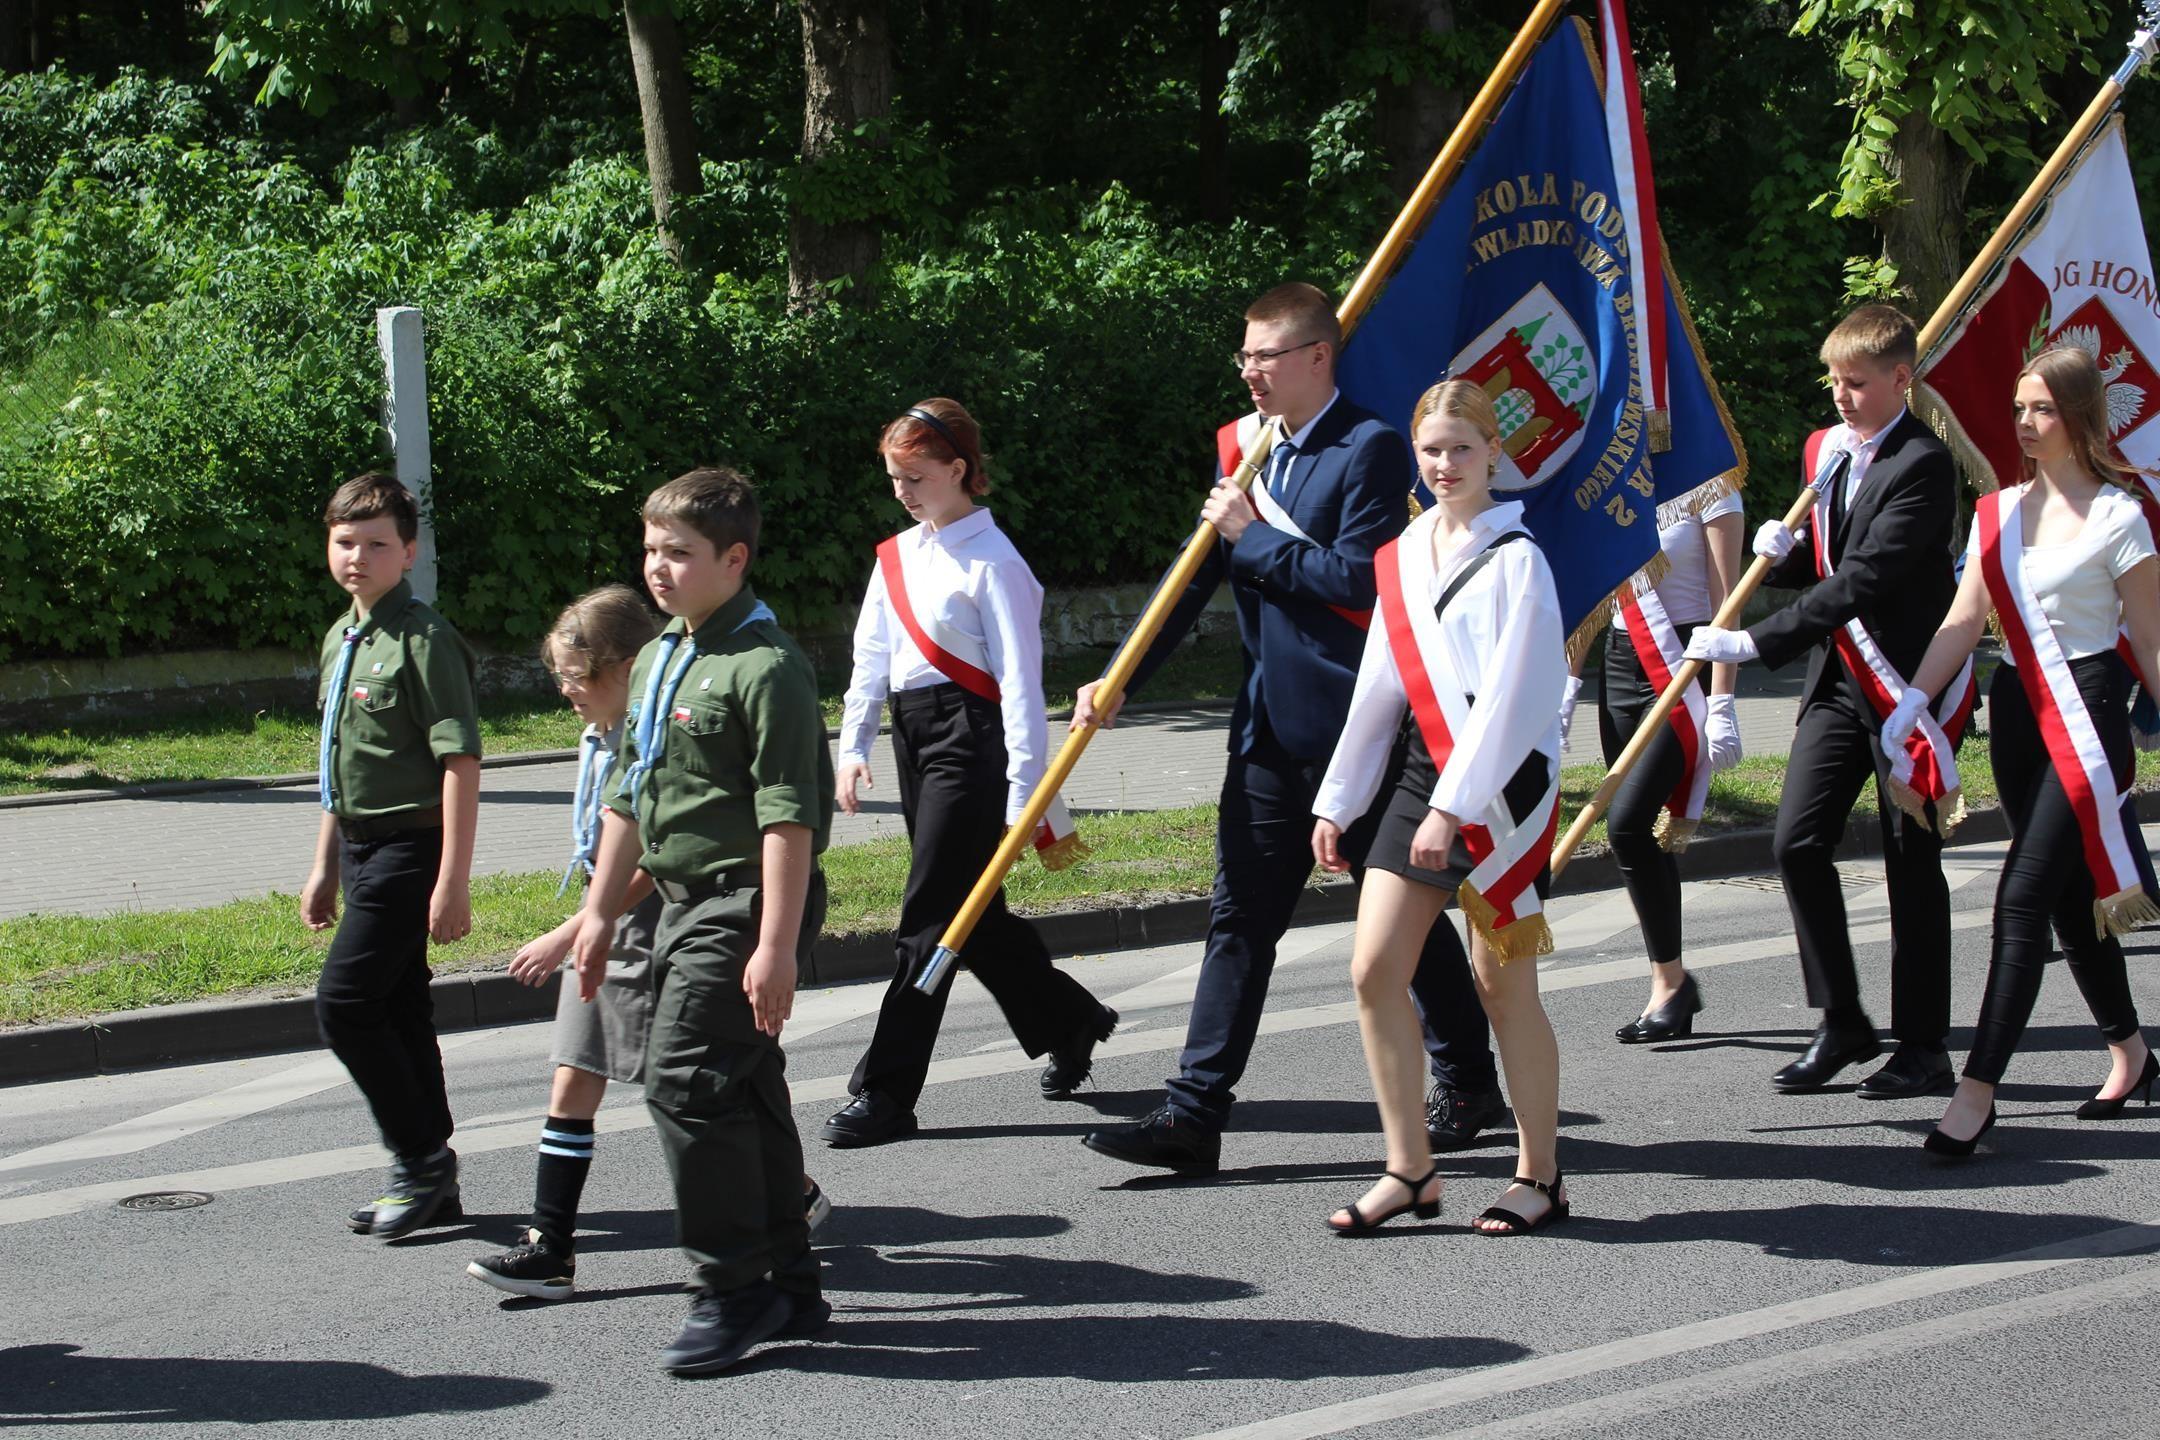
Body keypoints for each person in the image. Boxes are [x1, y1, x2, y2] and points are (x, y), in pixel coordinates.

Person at [1080, 282, 1505, 1179]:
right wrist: (1120, 676)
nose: (1251, 372)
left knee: (1404, 924)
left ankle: (1469, 1078)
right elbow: (1193, 577)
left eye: (1268, 355)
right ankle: (1193, 1115)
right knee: (1240, 920)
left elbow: (1358, 578)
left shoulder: (1373, 447)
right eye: (1245, 357)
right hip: (1269, 731)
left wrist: (1252, 534)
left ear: (1318, 356)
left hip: (1363, 727)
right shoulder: (1248, 451)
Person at [462, 586, 835, 1300]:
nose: (568, 687)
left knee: (691, 1085)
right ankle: (558, 1244)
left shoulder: (744, 675)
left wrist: (578, 928)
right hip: (616, 917)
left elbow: (724, 829)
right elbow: (623, 814)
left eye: (582, 673)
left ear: (625, 667)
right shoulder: (610, 724)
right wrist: (588, 917)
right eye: (560, 674)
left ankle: (740, 1272)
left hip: (662, 912)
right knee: (626, 1075)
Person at [570, 467, 833, 1375]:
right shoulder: (656, 656)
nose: (658, 569)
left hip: (745, 903)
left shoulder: (766, 667)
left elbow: (789, 817)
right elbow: (628, 798)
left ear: (734, 558)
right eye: (649, 550)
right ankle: (791, 1282)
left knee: (683, 1081)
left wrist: (773, 945)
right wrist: (599, 916)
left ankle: (732, 1289)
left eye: (679, 553)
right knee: (743, 1087)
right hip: (679, 900)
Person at [1684, 305, 1969, 1098]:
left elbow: (1867, 576)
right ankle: (1842, 1018)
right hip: (1840, 683)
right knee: (1796, 842)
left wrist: (1758, 641)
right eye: (1834, 381)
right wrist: (1775, 555)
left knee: (1913, 865)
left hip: (1908, 687)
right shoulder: (1832, 452)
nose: (1841, 397)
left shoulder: (1922, 464)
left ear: (1900, 379)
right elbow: (1826, 554)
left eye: (1857, 383)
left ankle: (1923, 1046)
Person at [1883, 347, 2160, 1156]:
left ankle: (1976, 1094)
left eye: (2041, 409)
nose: (2025, 424)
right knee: (2073, 903)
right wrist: (1911, 700)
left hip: (2090, 714)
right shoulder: (1996, 511)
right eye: (2018, 409)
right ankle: (2134, 1055)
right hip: (2016, 710)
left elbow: (2147, 638)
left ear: (2078, 416)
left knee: (2021, 900)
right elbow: (1965, 622)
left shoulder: (2121, 516)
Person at [822, 398, 1119, 1147]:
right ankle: (1072, 1019)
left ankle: (886, 1091)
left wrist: (1028, 790)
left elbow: (1021, 685)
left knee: (930, 919)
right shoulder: (895, 556)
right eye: (895, 477)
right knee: (973, 915)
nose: (904, 490)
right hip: (914, 736)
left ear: (959, 470)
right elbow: (870, 660)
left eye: (917, 476)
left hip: (971, 740)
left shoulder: (997, 563)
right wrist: (853, 745)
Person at [1312, 379, 1570, 1234]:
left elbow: (1513, 701)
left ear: (1496, 451)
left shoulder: (1519, 559)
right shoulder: (1406, 551)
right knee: (1372, 970)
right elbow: (1380, 687)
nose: (1446, 463)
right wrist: (1339, 800)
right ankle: (1410, 1170)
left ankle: (1539, 1175)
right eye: (1432, 450)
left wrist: (1453, 809)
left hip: (1497, 790)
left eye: (1462, 447)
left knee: (1504, 990)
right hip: (1424, 777)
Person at [303, 472, 481, 1241]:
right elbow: (334, 763)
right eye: (346, 542)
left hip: (413, 849)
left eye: (377, 544)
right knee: (400, 1004)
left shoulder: (425, 640)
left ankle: (416, 1158)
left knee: (344, 1003)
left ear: (408, 553)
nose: (358, 557)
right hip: (358, 846)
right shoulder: (342, 637)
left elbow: (461, 765)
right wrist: (322, 866)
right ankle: (432, 1166)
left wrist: (453, 882)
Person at [1561, 490, 1746, 1043]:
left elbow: (1726, 600)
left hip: (1682, 662)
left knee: (1626, 823)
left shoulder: (1712, 489)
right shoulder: (1615, 480)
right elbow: (1590, 590)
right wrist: (1567, 686)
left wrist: (1722, 701)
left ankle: (1671, 983)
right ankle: (1670, 982)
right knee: (1641, 837)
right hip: (1620, 661)